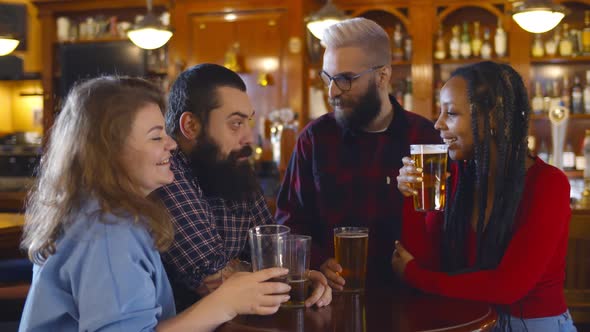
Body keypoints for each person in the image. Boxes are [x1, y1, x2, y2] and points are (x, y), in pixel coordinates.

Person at [18, 76, 293, 331]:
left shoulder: (105, 214)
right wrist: (226, 302)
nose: (172, 145)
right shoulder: (109, 232)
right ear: (110, 151)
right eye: (156, 136)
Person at [393, 61, 577, 331]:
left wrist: (415, 276)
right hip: (467, 321)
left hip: (532, 324)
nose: (437, 124)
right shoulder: (454, 177)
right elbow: (426, 261)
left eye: (452, 113)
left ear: (490, 118)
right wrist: (410, 197)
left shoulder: (548, 184)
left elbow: (508, 286)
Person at [275, 17, 440, 290]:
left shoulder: (425, 139)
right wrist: (317, 262)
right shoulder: (315, 139)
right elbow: (288, 222)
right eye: (327, 78)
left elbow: (446, 225)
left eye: (345, 79)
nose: (332, 91)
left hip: (410, 296)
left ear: (383, 76)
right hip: (331, 299)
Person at [158, 63, 331, 310]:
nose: (248, 137)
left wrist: (299, 274)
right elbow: (212, 280)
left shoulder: (231, 165)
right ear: (190, 126)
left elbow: (272, 248)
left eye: (248, 122)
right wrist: (288, 276)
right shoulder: (166, 169)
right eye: (236, 124)